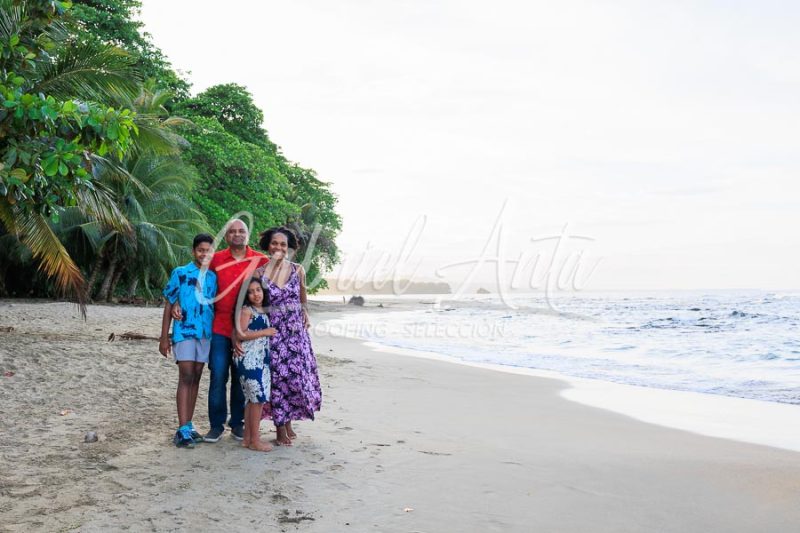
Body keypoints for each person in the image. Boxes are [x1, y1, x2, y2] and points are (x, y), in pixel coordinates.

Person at [172, 219, 268, 442]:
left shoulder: (260, 260)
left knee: (239, 377)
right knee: (217, 376)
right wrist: (178, 301)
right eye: (232, 231)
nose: (237, 234)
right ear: (226, 237)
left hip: (245, 329)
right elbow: (190, 279)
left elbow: (272, 289)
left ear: (248, 234)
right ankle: (216, 426)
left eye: (241, 231)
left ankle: (237, 424)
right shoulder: (215, 259)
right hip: (219, 327)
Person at [255, 226, 322, 446]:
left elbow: (303, 300)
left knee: (294, 379)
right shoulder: (259, 273)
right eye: (275, 243)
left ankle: (289, 421)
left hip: (295, 335)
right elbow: (256, 303)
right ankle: (280, 428)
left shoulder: (298, 270)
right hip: (273, 333)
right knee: (277, 380)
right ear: (268, 245)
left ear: (289, 247)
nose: (279, 247)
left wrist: (305, 315)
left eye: (283, 244)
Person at [159, 233, 217, 448]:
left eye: (208, 250)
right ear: (193, 251)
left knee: (197, 376)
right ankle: (182, 428)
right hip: (184, 332)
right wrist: (164, 337)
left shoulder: (213, 277)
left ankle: (189, 425)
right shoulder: (181, 273)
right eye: (200, 250)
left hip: (205, 333)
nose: (204, 254)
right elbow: (169, 303)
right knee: (186, 375)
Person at [234, 278, 277, 452]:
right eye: (251, 292)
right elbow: (241, 334)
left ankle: (247, 439)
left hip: (261, 360)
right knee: (257, 399)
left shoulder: (263, 310)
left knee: (252, 401)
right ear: (246, 295)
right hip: (249, 360)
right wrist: (265, 332)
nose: (255, 294)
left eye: (258, 290)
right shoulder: (247, 311)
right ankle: (255, 441)